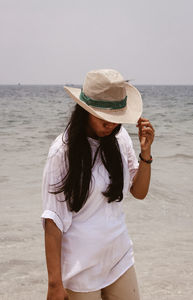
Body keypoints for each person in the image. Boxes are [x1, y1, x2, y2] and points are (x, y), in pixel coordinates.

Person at [41, 69, 155, 300]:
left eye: (116, 118)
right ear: (85, 111)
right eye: (104, 117)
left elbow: (139, 192)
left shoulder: (120, 138)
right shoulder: (62, 152)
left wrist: (146, 152)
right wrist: (55, 284)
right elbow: (53, 219)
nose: (111, 125)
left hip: (119, 257)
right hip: (80, 268)